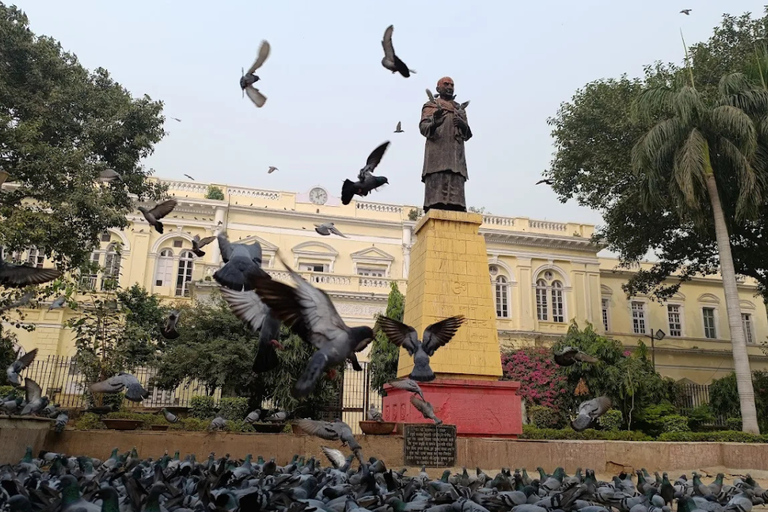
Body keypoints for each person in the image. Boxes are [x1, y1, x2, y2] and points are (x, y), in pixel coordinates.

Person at [419, 76, 472, 213]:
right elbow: (423, 128)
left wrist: (462, 125)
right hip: (437, 152)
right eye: (446, 84)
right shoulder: (431, 106)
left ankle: (457, 205)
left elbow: (468, 134)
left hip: (455, 154)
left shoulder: (459, 109)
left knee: (455, 180)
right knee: (437, 179)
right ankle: (435, 204)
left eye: (452, 85)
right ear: (438, 88)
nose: (449, 87)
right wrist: (435, 122)